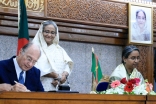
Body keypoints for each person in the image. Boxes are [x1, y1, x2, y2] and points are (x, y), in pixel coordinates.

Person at [32, 20, 73, 91]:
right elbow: (33, 67)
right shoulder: (35, 48)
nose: (49, 35)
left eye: (52, 33)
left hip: (58, 88)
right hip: (39, 86)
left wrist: (64, 76)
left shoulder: (59, 49)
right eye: (46, 31)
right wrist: (55, 75)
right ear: (41, 32)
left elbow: (68, 65)